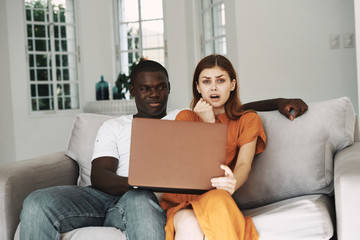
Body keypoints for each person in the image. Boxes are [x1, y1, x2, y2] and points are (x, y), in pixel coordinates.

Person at [20, 59, 307, 240]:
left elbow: (231, 110)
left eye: (160, 87)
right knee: (36, 201)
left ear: (170, 89)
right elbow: (100, 176)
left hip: (139, 200)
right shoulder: (114, 126)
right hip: (107, 194)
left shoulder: (185, 117)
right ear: (132, 90)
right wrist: (141, 180)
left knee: (140, 200)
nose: (154, 93)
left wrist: (280, 100)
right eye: (145, 88)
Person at [160, 54, 268, 240]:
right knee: (188, 223)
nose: (214, 87)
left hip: (217, 195)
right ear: (198, 87)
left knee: (217, 201)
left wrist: (232, 184)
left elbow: (244, 164)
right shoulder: (185, 118)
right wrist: (208, 125)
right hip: (182, 199)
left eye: (221, 80)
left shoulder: (248, 120)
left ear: (232, 85)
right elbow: (187, 167)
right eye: (206, 81)